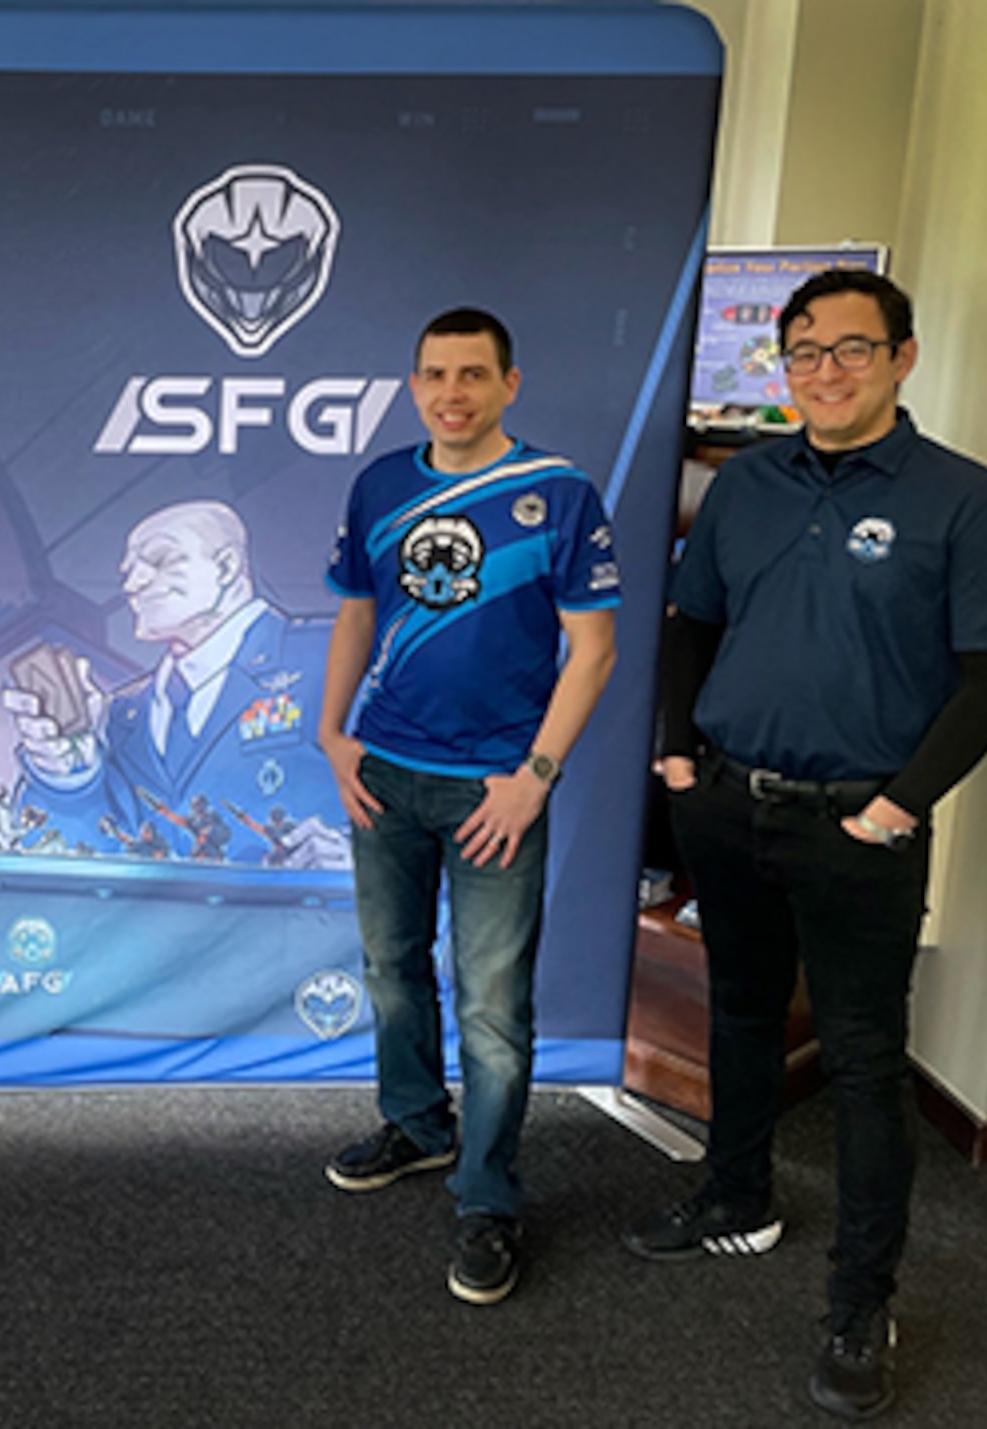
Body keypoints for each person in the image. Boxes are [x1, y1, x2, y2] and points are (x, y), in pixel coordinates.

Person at [622, 270, 987, 1420]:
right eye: (801, 352)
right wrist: (675, 759)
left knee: (863, 1066)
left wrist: (897, 805)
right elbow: (691, 622)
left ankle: (860, 1300)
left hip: (858, 826)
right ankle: (735, 1195)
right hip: (725, 802)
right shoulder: (746, 486)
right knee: (741, 1015)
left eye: (850, 349)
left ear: (902, 357)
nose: (823, 371)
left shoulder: (967, 501)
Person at [319, 307, 618, 1306]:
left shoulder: (556, 493)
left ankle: (485, 1196)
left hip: (495, 786)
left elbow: (593, 649)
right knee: (390, 968)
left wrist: (534, 773)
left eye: (473, 375)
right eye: (435, 375)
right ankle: (414, 1123)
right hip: (385, 773)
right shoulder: (380, 485)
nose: (452, 392)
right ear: (413, 386)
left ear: (508, 384)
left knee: (492, 1009)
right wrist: (331, 733)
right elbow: (355, 613)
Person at [3, 498, 347, 867]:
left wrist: (374, 858)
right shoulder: (121, 715)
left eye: (160, 561)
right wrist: (66, 778)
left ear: (226, 566)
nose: (133, 584)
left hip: (308, 920)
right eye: (128, 572)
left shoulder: (338, 657)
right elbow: (76, 857)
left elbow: (411, 786)